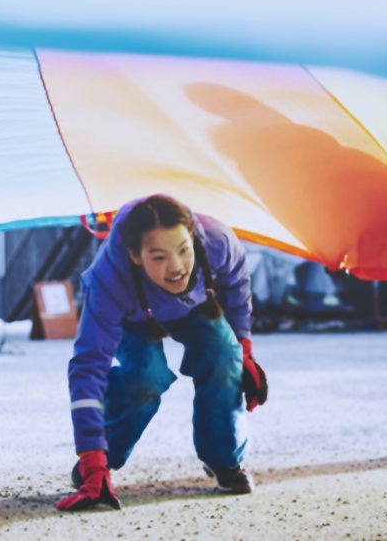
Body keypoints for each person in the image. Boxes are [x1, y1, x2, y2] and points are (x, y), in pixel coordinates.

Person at [57, 195, 268, 511]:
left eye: (184, 249)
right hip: (134, 315)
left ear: (194, 236)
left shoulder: (218, 239)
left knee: (225, 356)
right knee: (144, 378)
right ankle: (103, 462)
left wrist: (244, 349)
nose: (177, 267)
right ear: (135, 255)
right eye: (159, 257)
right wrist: (91, 454)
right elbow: (88, 368)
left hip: (195, 305)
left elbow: (236, 287)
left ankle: (224, 459)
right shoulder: (108, 282)